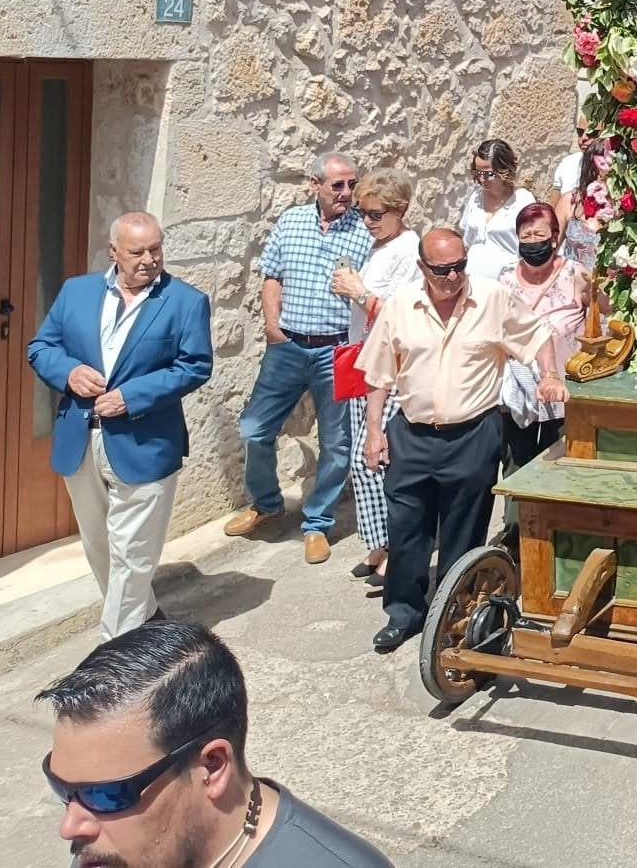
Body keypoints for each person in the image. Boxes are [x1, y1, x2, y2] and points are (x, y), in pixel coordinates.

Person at [37, 619, 394, 868]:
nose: (70, 826)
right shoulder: (113, 854)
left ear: (213, 766)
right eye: (63, 788)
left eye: (107, 795)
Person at [357, 229, 565, 652]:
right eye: (442, 270)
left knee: (462, 531)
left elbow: (537, 335)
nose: (453, 276)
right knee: (406, 529)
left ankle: (458, 615)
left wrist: (549, 374)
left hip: (473, 433)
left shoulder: (492, 298)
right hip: (412, 434)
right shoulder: (400, 306)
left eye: (460, 266)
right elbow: (378, 374)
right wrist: (375, 431)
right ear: (422, 268)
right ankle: (405, 615)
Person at [27, 212, 212, 640]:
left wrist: (133, 396)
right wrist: (69, 372)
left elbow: (195, 366)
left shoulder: (186, 301)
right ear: (113, 252)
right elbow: (41, 347)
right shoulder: (77, 292)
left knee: (133, 552)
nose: (149, 260)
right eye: (137, 252)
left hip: (146, 443)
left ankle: (115, 648)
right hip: (81, 438)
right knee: (99, 546)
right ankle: (145, 620)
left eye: (156, 249)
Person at [228, 154, 372, 565]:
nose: (346, 193)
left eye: (351, 185)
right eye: (337, 185)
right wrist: (273, 327)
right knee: (254, 428)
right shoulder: (291, 222)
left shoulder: (364, 231)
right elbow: (271, 274)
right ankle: (267, 503)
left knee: (337, 442)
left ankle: (317, 522)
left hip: (338, 351)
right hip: (288, 346)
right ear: (315, 184)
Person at [328, 170, 421, 590]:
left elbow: (404, 316)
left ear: (399, 210)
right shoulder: (378, 246)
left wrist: (359, 292)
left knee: (381, 458)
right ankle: (379, 542)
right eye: (363, 213)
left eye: (376, 213)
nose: (367, 221)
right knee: (362, 461)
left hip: (391, 369)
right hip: (361, 361)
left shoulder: (408, 250)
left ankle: (397, 545)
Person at [497, 203, 591, 476]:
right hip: (518, 397)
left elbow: (601, 312)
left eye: (539, 236)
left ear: (553, 237)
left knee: (560, 470)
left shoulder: (575, 274)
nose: (532, 242)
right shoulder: (505, 279)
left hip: (564, 395)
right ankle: (514, 521)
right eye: (525, 237)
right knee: (516, 472)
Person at [460, 139, 536, 280]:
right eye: (478, 173)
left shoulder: (523, 201)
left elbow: (531, 246)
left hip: (507, 282)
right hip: (472, 281)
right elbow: (467, 242)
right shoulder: (475, 197)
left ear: (504, 170)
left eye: (489, 174)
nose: (482, 179)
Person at [551, 121, 601, 269]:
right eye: (579, 132)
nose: (584, 138)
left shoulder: (624, 208)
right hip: (572, 284)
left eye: (592, 133)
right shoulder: (570, 200)